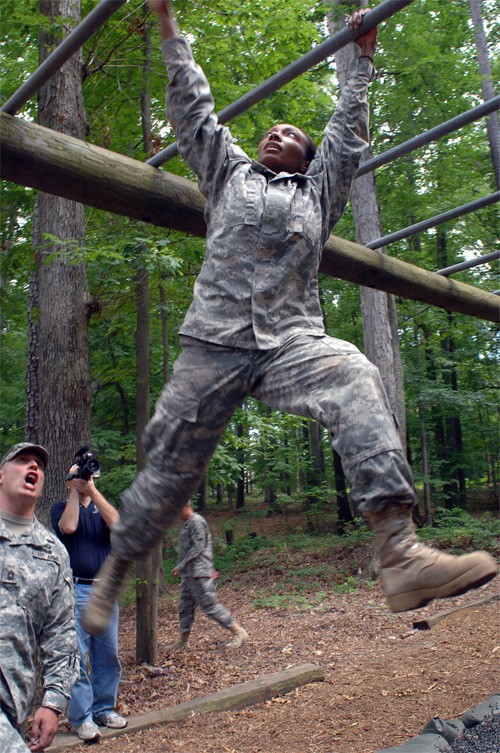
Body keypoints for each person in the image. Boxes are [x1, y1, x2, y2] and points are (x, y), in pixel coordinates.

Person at [83, 1, 497, 636]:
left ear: (305, 160)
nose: (273, 134)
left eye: (287, 135)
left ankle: (399, 550)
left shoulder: (320, 193)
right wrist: (168, 27)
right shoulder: (227, 174)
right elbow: (194, 111)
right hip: (211, 341)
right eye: (268, 132)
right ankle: (114, 572)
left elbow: (347, 130)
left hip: (290, 340)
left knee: (355, 372)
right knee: (169, 462)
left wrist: (362, 55)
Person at [0, 443, 79, 753]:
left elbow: (61, 633)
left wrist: (53, 702)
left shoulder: (53, 554)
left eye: (39, 465)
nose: (33, 467)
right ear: (1, 476)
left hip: (13, 705)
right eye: (22, 461)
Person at [50, 461, 127, 742]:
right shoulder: (60, 508)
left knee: (108, 655)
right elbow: (68, 528)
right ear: (68, 482)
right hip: (76, 591)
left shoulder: (100, 507)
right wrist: (75, 490)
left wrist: (92, 491)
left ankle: (104, 709)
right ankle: (81, 718)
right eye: (77, 476)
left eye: (87, 474)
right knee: (77, 658)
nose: (84, 478)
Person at [168, 501, 248, 650]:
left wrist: (181, 565)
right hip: (189, 575)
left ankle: (239, 632)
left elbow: (198, 546)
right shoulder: (188, 523)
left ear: (185, 506)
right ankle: (183, 641)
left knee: (209, 605)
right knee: (185, 607)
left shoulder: (197, 521)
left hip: (199, 573)